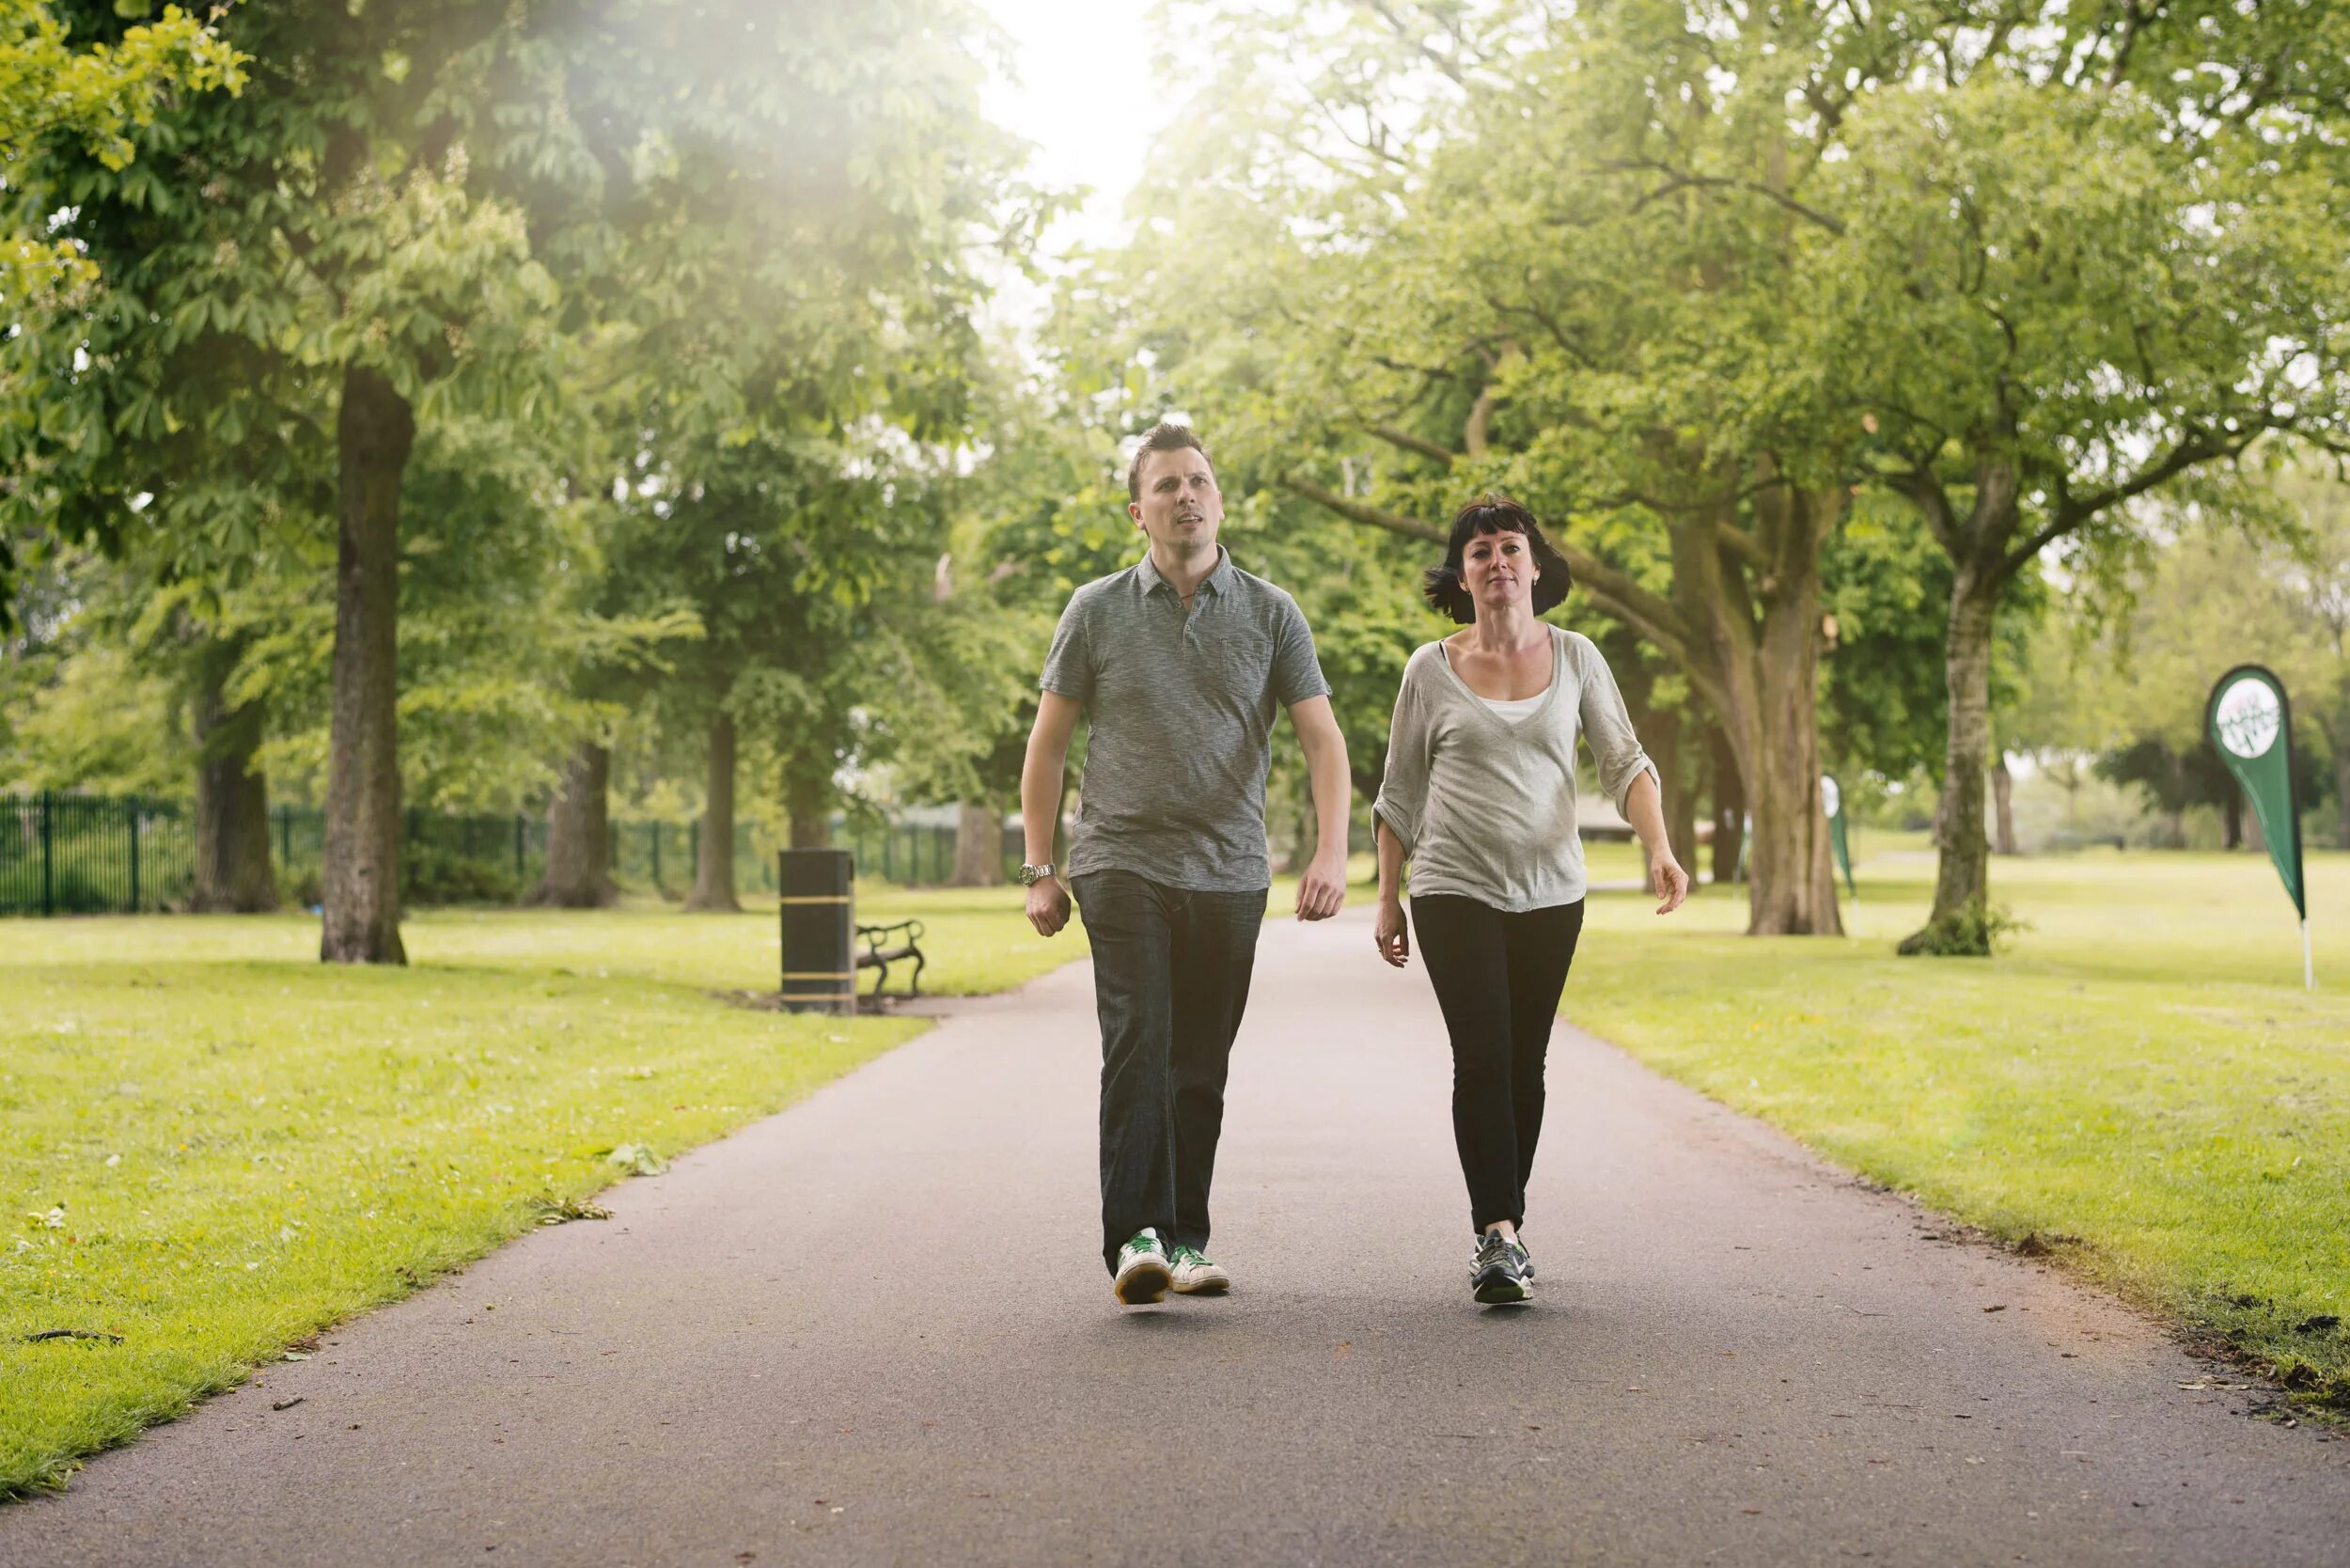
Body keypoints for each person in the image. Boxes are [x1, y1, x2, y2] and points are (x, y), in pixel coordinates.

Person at [1020, 421, 1353, 1306]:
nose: (1185, 496)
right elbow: (1048, 746)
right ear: (1140, 511)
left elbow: (1323, 740)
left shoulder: (1273, 612)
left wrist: (1330, 851)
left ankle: (1188, 1239)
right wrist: (1039, 867)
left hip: (1232, 870)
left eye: (1197, 480)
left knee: (1200, 1061)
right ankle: (1134, 1236)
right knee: (1140, 1041)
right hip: (1121, 861)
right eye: (1165, 485)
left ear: (1218, 499)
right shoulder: (1094, 611)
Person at [1371, 494, 1688, 1306]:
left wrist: (1659, 846)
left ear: (1536, 567)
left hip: (1552, 892)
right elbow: (1399, 791)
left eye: (1511, 547)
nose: (1498, 562)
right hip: (1452, 885)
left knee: (1525, 1063)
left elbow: (1623, 761)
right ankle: (1499, 1235)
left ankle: (1505, 1221)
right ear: (1463, 574)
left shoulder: (1577, 656)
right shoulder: (1427, 669)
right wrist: (1386, 899)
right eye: (1480, 552)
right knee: (1482, 1057)